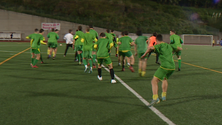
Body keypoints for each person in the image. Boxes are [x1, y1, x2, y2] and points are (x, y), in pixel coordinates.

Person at [141, 34, 182, 107]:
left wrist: (144, 55)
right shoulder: (169, 45)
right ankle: (164, 96)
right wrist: (173, 51)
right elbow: (179, 48)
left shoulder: (159, 45)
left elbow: (150, 48)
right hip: (172, 67)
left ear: (156, 40)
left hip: (165, 66)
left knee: (154, 81)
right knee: (165, 79)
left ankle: (155, 98)